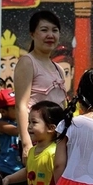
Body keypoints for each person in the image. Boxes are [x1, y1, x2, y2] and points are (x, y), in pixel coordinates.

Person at [12, 9, 66, 160]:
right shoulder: (27, 63)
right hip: (36, 142)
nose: (50, 35)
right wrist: (26, 144)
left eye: (54, 30)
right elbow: (21, 106)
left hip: (57, 141)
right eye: (44, 30)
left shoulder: (59, 69)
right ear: (32, 34)